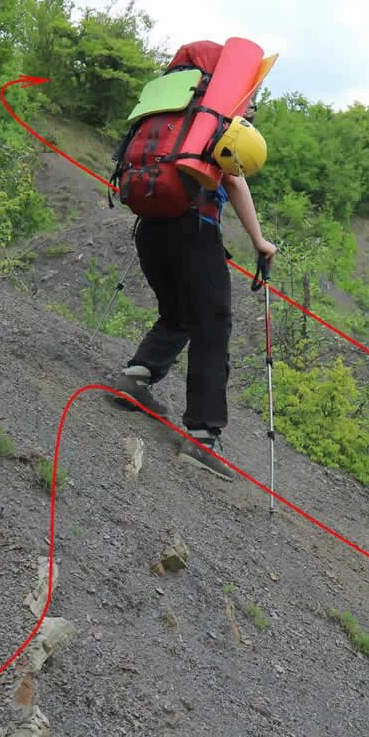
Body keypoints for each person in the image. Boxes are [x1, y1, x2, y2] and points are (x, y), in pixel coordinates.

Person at [111, 124, 277, 482]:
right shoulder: (220, 118)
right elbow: (233, 178)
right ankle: (202, 439)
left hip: (150, 228)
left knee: (178, 313)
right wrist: (259, 240)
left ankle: (135, 378)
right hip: (194, 229)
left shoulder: (176, 114)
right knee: (213, 327)